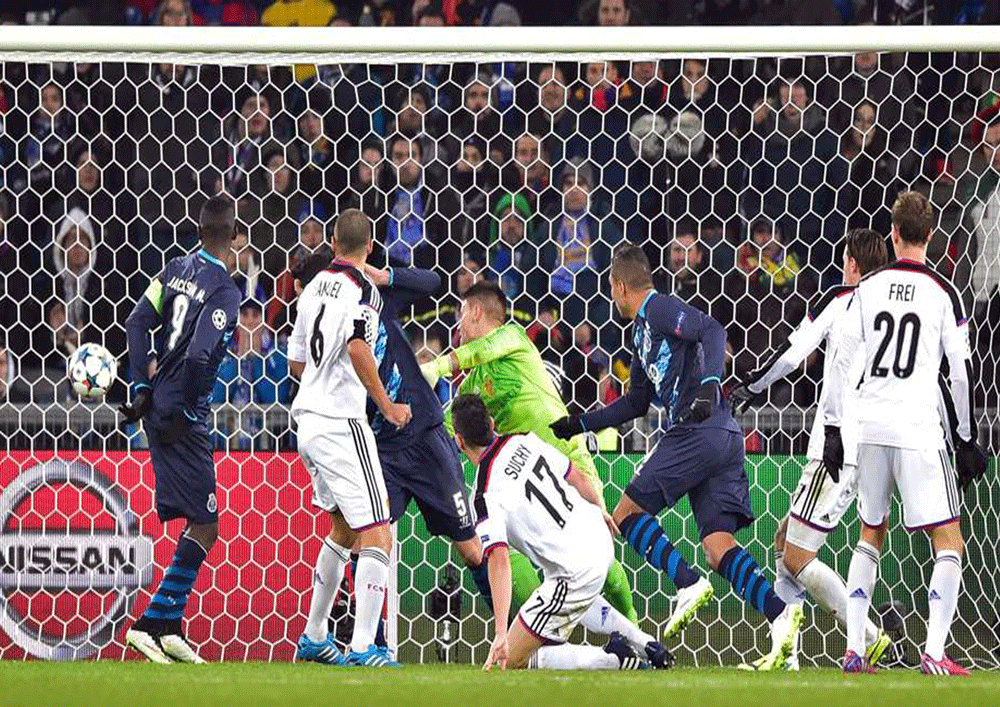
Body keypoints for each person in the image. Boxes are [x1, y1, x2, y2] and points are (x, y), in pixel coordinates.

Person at [550, 244, 803, 670]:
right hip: (721, 435)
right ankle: (781, 615)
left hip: (697, 428)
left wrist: (709, 384)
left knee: (625, 515)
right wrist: (581, 423)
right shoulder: (640, 334)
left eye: (611, 288)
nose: (612, 295)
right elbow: (636, 402)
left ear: (619, 286)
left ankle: (686, 584)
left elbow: (712, 330)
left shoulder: (658, 308)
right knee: (719, 548)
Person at [822, 193, 989, 676]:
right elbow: (961, 373)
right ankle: (933, 652)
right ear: (931, 236)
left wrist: (833, 427)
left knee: (870, 533)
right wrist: (965, 438)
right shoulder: (943, 292)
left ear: (893, 233)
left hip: (871, 427)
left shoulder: (868, 287)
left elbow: (842, 360)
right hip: (918, 430)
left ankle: (855, 649)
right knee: (949, 539)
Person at [420, 281, 637, 623]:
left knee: (598, 558)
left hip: (566, 460)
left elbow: (482, 350)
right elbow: (444, 427)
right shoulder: (472, 386)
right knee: (503, 551)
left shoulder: (514, 337)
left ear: (476, 312)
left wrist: (438, 366)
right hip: (522, 483)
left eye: (462, 314)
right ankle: (537, 638)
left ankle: (631, 627)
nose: (458, 325)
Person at [729, 229, 893, 670]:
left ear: (853, 264)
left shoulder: (841, 300)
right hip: (870, 445)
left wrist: (753, 385)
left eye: (845, 261)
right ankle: (787, 658)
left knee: (797, 555)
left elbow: (792, 352)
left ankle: (870, 637)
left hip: (834, 447)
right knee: (785, 542)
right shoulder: (890, 314)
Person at [451, 394, 670, 671]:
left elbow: (499, 560)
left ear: (459, 442)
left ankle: (615, 658)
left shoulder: (484, 494)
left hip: (574, 573)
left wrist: (500, 634)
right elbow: (576, 475)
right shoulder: (524, 440)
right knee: (568, 596)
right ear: (491, 423)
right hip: (599, 540)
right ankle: (645, 642)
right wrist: (601, 509)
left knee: (513, 658)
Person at [118, 196, 242, 663]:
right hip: (182, 412)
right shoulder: (225, 291)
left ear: (199, 229)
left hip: (157, 402)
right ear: (234, 237)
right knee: (207, 523)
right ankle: (150, 624)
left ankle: (168, 627)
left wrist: (141, 385)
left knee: (198, 519)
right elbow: (197, 355)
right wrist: (189, 408)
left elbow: (136, 322)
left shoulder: (173, 269)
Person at [287, 209, 411, 668]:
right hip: (342, 423)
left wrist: (322, 380)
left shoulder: (314, 286)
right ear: (371, 247)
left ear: (334, 242)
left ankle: (315, 635)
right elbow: (359, 347)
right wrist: (386, 405)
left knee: (342, 529)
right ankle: (362, 648)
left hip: (308, 422)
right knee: (379, 531)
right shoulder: (365, 291)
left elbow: (296, 361)